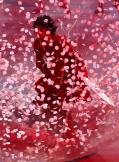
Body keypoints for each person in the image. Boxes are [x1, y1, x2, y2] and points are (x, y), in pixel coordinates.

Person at [32, 15, 91, 143]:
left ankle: (73, 134)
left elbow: (63, 66)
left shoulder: (59, 42)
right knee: (45, 94)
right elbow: (40, 63)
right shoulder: (37, 43)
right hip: (57, 72)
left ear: (49, 30)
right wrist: (49, 75)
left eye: (41, 30)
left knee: (63, 100)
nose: (38, 33)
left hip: (74, 71)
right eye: (36, 30)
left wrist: (57, 86)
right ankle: (55, 130)